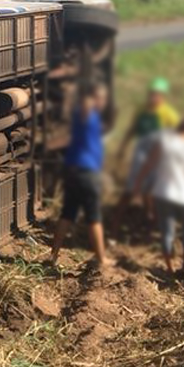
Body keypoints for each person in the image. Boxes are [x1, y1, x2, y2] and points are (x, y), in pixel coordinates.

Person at [133, 118, 184, 274]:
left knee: (167, 231)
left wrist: (138, 185)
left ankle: (169, 267)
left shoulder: (165, 142)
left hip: (163, 193)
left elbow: (148, 165)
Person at [50, 83, 111, 267]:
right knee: (94, 216)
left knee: (67, 213)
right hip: (86, 172)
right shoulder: (87, 114)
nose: (104, 102)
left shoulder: (87, 117)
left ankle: (53, 256)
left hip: (73, 170)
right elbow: (85, 104)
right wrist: (90, 96)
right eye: (101, 98)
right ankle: (102, 259)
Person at [112, 77, 180, 233]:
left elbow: (179, 136)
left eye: (157, 94)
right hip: (140, 155)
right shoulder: (141, 109)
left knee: (154, 193)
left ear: (163, 96)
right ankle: (115, 226)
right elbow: (132, 129)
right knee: (130, 189)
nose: (153, 97)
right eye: (152, 93)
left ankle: (151, 224)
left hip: (159, 157)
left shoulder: (168, 113)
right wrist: (122, 148)